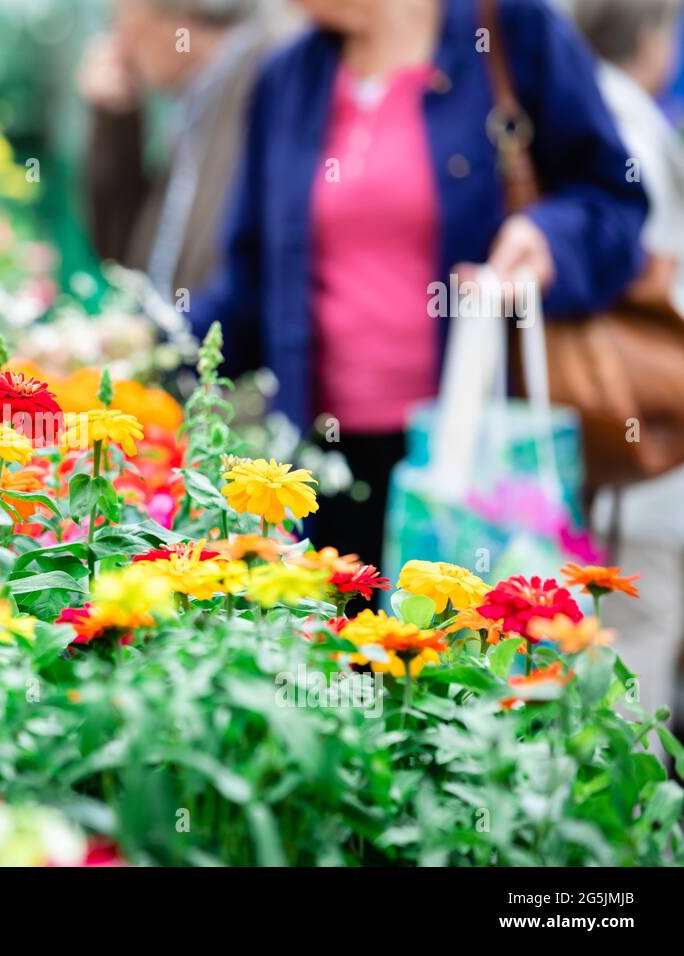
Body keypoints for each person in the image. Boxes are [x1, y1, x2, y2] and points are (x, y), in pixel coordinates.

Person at [190, 0, 648, 565]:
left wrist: (546, 239)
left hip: (472, 456)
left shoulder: (508, 29)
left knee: (457, 642)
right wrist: (137, 354)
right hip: (320, 464)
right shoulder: (288, 78)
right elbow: (249, 288)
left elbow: (614, 200)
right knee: (335, 645)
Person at [571, 0, 684, 735]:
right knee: (636, 644)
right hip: (636, 457)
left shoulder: (588, 112)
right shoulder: (627, 124)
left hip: (615, 452)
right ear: (652, 37)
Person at [79, 0, 298, 302]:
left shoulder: (269, 81)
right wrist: (117, 122)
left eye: (117, 16)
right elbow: (124, 257)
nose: (117, 40)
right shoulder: (198, 97)